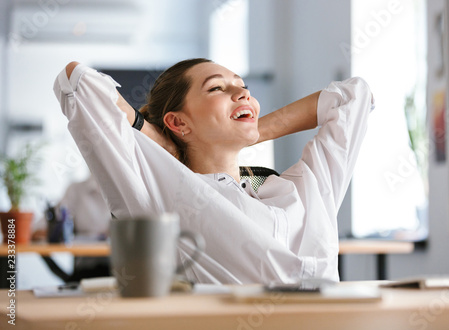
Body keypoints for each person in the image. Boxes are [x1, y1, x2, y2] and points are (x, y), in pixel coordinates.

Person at [54, 58, 374, 284]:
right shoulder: (165, 192)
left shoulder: (300, 188)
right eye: (216, 88)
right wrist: (153, 137)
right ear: (179, 122)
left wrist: (253, 129)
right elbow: (75, 82)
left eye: (243, 86)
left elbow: (354, 97)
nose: (242, 93)